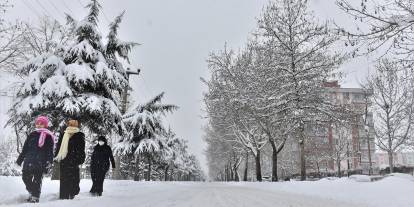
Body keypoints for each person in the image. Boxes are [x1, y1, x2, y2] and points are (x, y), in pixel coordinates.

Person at [16, 116, 55, 203]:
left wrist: (49, 162)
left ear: (45, 125)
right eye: (38, 123)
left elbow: (50, 151)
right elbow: (25, 149)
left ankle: (35, 197)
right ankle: (31, 192)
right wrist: (19, 160)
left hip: (40, 161)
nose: (39, 125)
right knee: (25, 177)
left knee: (37, 180)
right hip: (29, 160)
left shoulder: (48, 136)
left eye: (41, 123)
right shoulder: (32, 134)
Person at [54, 119, 85, 199]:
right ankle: (63, 196)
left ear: (76, 125)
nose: (71, 126)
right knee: (64, 179)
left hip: (74, 160)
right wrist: (57, 156)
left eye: (73, 124)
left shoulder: (79, 135)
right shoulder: (63, 134)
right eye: (70, 124)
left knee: (74, 179)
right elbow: (59, 146)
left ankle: (72, 193)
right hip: (64, 160)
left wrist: (81, 158)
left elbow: (82, 148)